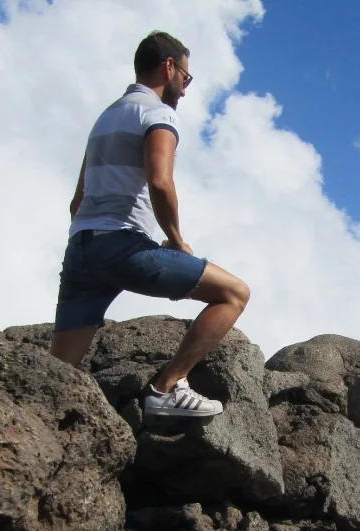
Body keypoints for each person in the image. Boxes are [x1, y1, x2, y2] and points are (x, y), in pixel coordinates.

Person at [50, 31, 249, 418]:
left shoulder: (105, 118)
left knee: (55, 373)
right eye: (186, 78)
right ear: (169, 67)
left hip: (82, 248)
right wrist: (176, 240)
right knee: (234, 294)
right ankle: (166, 389)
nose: (185, 90)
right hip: (122, 245)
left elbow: (77, 201)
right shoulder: (158, 114)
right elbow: (160, 181)